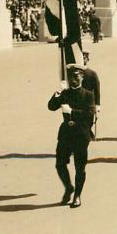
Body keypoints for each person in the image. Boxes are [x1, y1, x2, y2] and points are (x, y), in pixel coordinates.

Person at [47, 64, 96, 208]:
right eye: (70, 77)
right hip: (66, 134)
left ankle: (77, 195)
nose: (73, 79)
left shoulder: (88, 95)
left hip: (81, 134)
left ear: (82, 77)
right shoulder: (65, 93)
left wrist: (72, 111)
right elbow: (51, 107)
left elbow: (89, 116)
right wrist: (57, 93)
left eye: (76, 76)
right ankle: (69, 187)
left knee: (80, 167)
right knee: (60, 164)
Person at [81, 51, 101, 138]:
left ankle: (87, 131)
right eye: (81, 57)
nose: (82, 59)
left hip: (89, 101)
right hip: (77, 100)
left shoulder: (92, 74)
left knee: (89, 120)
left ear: (87, 60)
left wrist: (97, 104)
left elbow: (97, 90)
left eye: (84, 58)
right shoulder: (73, 72)